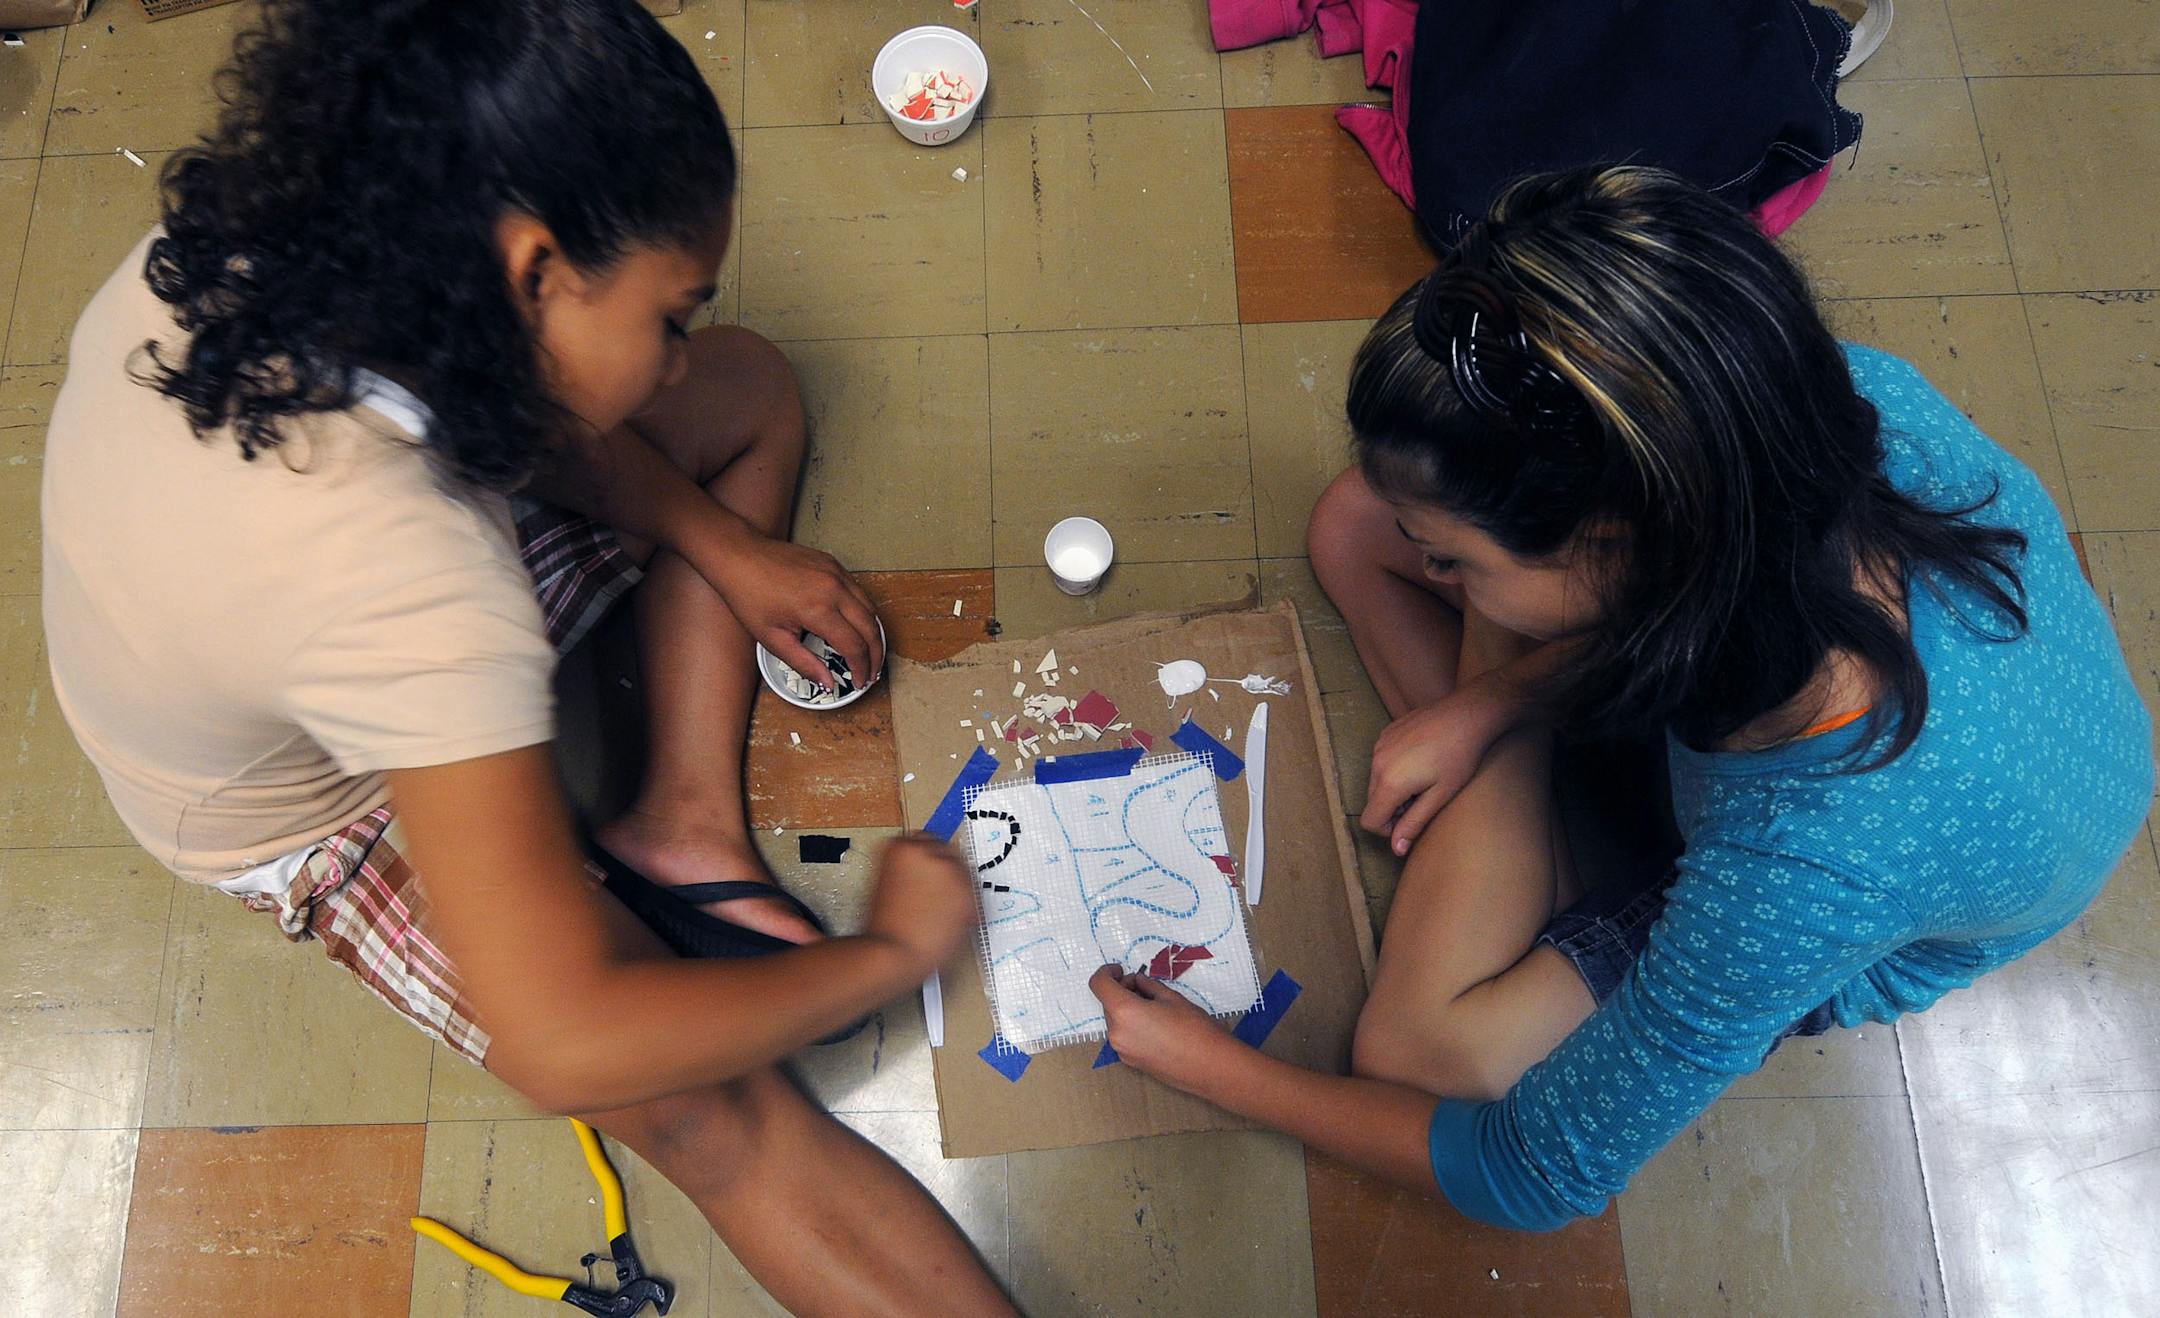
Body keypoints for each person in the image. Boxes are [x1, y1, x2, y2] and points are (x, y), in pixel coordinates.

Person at [39, 1, 1011, 1310]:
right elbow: (566, 1038)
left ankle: (680, 824)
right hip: (304, 799)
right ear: (538, 268)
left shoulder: (298, 238)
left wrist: (722, 543)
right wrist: (886, 955)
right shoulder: (416, 592)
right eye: (669, 315)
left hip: (300, 618)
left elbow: (520, 422)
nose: (674, 365)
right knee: (712, 1115)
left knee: (753, 393)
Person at [1089, 164, 2154, 1230]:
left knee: (1413, 1055)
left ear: (1616, 554)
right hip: (1886, 716)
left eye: (1456, 561)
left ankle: (1541, 844)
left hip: (1870, 876)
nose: (1438, 567)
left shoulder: (1802, 871)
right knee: (1358, 524)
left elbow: (1529, 1174)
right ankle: (1526, 782)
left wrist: (1210, 1066)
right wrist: (1493, 698)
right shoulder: (1811, 402)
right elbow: (1693, 592)